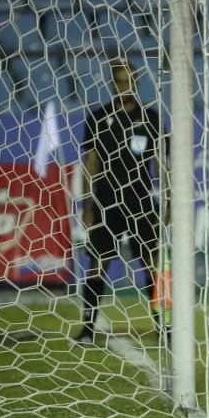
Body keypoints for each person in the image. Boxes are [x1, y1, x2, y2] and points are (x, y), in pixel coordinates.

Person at [72, 62, 165, 344]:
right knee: (98, 264)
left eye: (129, 81)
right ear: (113, 84)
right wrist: (87, 203)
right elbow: (91, 162)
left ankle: (165, 327)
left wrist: (168, 199)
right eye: (119, 82)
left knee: (151, 264)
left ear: (137, 82)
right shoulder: (99, 118)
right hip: (107, 199)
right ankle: (88, 328)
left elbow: (161, 161)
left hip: (140, 199)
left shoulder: (151, 118)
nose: (124, 86)